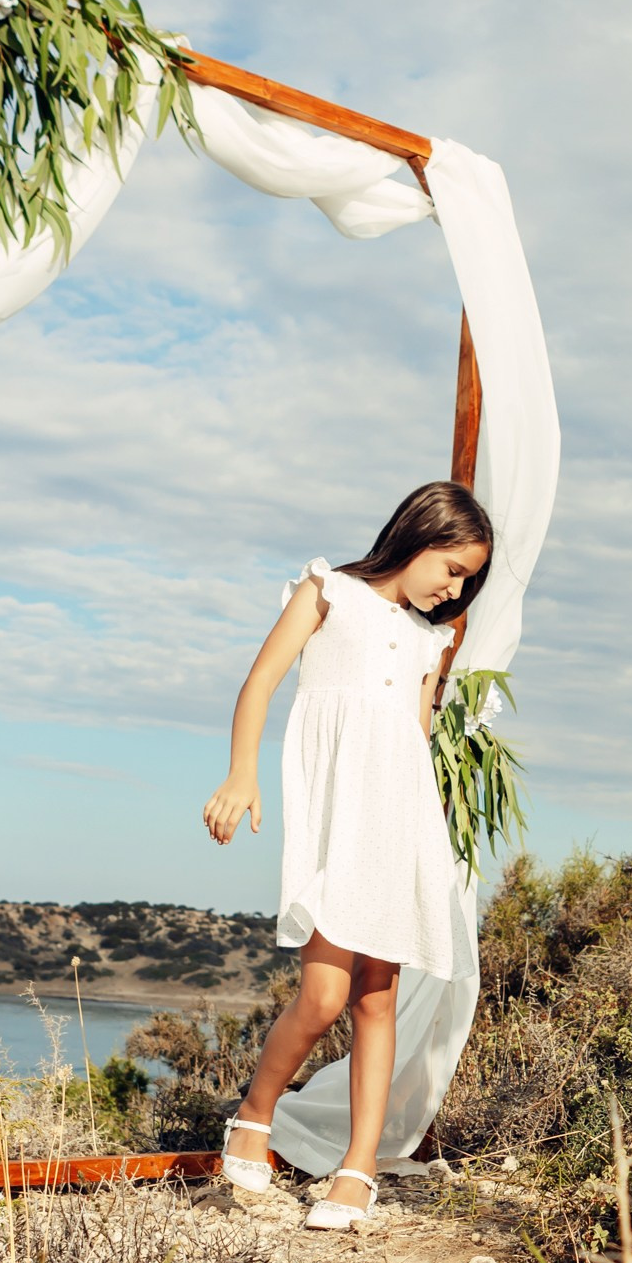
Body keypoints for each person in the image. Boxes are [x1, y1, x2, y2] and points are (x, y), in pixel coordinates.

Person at [201, 481, 493, 1224]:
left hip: (400, 820)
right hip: (336, 818)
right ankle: (254, 1114)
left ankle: (356, 1171)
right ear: (419, 535)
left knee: (376, 996)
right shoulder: (326, 590)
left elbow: (412, 740)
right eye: (452, 569)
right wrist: (243, 772)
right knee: (324, 994)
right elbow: (261, 681)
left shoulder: (435, 638)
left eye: (467, 580)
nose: (453, 588)